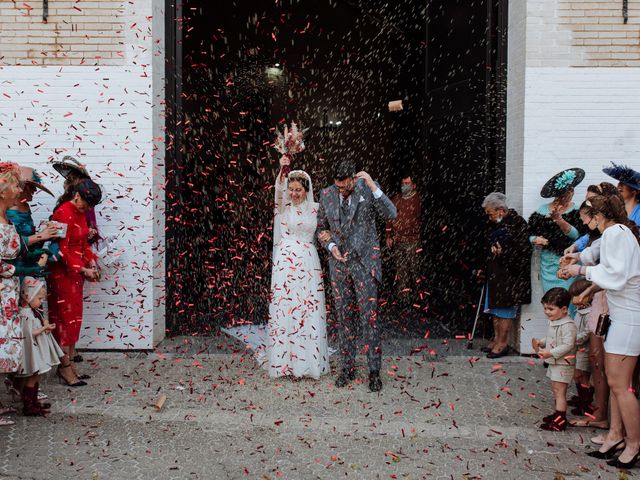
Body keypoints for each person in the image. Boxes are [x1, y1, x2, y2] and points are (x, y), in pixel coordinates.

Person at [560, 195, 640, 468]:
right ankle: (617, 436)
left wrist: (579, 270)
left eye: (588, 218)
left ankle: (634, 444)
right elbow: (596, 253)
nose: (587, 224)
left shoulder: (617, 234)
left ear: (598, 215)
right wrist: (576, 257)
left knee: (620, 384)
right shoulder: (615, 234)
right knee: (619, 384)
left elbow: (616, 274)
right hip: (621, 316)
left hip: (629, 317)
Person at [317, 160, 397, 392]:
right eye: (338, 187)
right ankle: (347, 367)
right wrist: (331, 246)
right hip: (339, 265)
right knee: (344, 318)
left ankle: (374, 370)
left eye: (345, 186)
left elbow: (391, 214)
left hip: (364, 264)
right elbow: (321, 228)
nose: (341, 191)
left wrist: (373, 186)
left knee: (369, 319)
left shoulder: (368, 189)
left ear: (354, 178)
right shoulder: (327, 194)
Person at [266, 157, 329, 378]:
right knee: (287, 308)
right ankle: (285, 361)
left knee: (306, 308)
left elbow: (325, 231)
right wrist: (283, 166)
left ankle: (307, 362)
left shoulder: (316, 209)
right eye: (291, 189)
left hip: (308, 261)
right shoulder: (284, 208)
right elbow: (278, 189)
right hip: (285, 262)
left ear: (306, 190)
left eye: (298, 190)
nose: (294, 194)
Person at [47, 179, 102, 383]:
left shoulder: (80, 213)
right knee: (64, 318)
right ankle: (64, 367)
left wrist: (92, 262)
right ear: (76, 195)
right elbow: (61, 248)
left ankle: (70, 361)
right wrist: (82, 268)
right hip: (62, 273)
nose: (87, 208)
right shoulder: (62, 212)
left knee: (74, 318)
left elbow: (82, 243)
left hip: (77, 273)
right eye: (85, 204)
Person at [480, 193, 531, 358]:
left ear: (501, 210)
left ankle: (503, 343)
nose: (489, 217)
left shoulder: (517, 224)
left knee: (504, 312)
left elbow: (523, 252)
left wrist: (504, 253)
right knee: (495, 310)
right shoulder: (494, 225)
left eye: (491, 213)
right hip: (496, 275)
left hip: (510, 278)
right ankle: (496, 339)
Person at [528, 168, 585, 295]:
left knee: (568, 299)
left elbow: (577, 236)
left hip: (568, 261)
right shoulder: (541, 211)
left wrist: (560, 220)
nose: (571, 193)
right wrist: (535, 239)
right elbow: (529, 234)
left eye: (572, 190)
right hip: (548, 265)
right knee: (552, 299)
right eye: (567, 191)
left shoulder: (577, 211)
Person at [15, 277, 65, 416]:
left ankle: (33, 400)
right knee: (33, 375)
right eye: (39, 298)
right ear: (28, 297)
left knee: (37, 376)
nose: (41, 301)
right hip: (32, 349)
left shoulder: (32, 311)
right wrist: (43, 329)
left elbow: (39, 322)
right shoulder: (25, 314)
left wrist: (46, 326)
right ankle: (28, 405)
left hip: (37, 347)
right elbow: (30, 333)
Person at [531, 287, 577, 432]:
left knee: (560, 391)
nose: (547, 312)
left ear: (564, 309)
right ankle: (558, 414)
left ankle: (560, 421)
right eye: (545, 308)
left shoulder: (568, 325)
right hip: (555, 363)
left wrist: (550, 353)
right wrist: (542, 343)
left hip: (563, 364)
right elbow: (552, 339)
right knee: (556, 390)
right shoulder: (555, 321)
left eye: (550, 309)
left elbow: (568, 344)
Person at [0, 163, 25, 427]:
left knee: (5, 344)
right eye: (16, 185)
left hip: (9, 291)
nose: (19, 190)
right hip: (2, 288)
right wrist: (10, 269)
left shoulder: (8, 218)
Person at [385, 174, 421, 306]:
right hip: (398, 242)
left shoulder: (417, 200)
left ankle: (419, 299)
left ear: (413, 185)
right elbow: (389, 217)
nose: (404, 186)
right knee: (401, 270)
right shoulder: (396, 199)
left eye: (407, 183)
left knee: (414, 269)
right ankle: (404, 300)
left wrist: (398, 235)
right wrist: (388, 235)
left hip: (412, 241)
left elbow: (412, 223)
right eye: (403, 183)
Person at [567, 279, 593, 417]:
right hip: (577, 349)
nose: (573, 300)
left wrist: (573, 340)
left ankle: (586, 403)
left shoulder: (589, 313)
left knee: (582, 375)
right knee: (577, 375)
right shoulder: (579, 311)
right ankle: (581, 397)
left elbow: (587, 332)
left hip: (584, 350)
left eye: (576, 296)